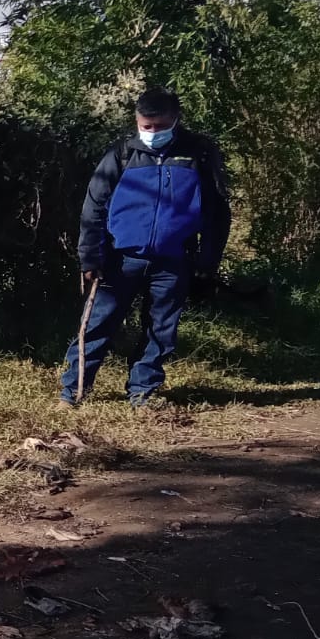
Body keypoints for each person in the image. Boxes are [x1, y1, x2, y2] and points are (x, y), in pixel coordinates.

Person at [59, 89, 231, 408]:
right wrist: (90, 256)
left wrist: (208, 260)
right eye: (146, 126)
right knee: (98, 324)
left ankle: (143, 392)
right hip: (119, 259)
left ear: (175, 120)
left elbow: (217, 212)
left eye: (159, 126)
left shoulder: (198, 155)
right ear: (137, 120)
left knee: (160, 330)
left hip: (173, 261)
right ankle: (73, 391)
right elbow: (93, 208)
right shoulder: (121, 153)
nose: (152, 133)